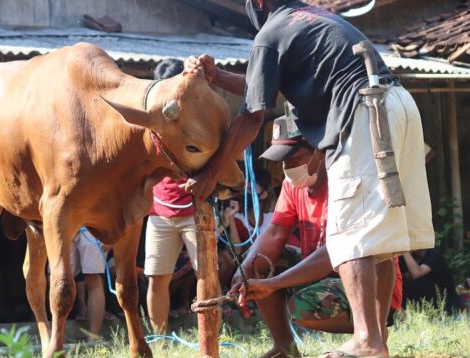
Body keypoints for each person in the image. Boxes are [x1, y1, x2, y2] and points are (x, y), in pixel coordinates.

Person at [184, 1, 434, 356]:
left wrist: (211, 173)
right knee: (378, 241)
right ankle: (376, 342)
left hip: (361, 110)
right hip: (395, 103)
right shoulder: (314, 19)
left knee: (352, 233)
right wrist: (217, 77)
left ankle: (366, 340)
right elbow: (267, 89)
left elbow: (252, 116)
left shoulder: (271, 34)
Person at [230, 116, 403, 357]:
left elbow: (335, 250)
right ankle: (284, 348)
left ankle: (372, 336)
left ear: (319, 152)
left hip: (365, 283)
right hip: (321, 276)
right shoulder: (292, 186)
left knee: (302, 308)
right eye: (282, 160)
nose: (288, 167)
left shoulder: (344, 178)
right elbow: (275, 232)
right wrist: (245, 271)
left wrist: (274, 284)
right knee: (259, 261)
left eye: (294, 158)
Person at [144, 58, 201, 334]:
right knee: (156, 278)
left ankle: (209, 336)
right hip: (160, 213)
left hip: (195, 209)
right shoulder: (150, 120)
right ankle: (159, 339)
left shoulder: (200, 116)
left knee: (207, 276)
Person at [399, 249, 461, 314]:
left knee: (423, 282)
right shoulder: (405, 256)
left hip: (443, 305)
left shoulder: (434, 254)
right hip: (418, 305)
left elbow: (417, 273)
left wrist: (405, 251)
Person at [72, 227, 107, 341]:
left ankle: (93, 338)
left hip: (93, 227)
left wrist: (110, 234)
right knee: (60, 279)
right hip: (65, 226)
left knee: (93, 278)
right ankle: (58, 339)